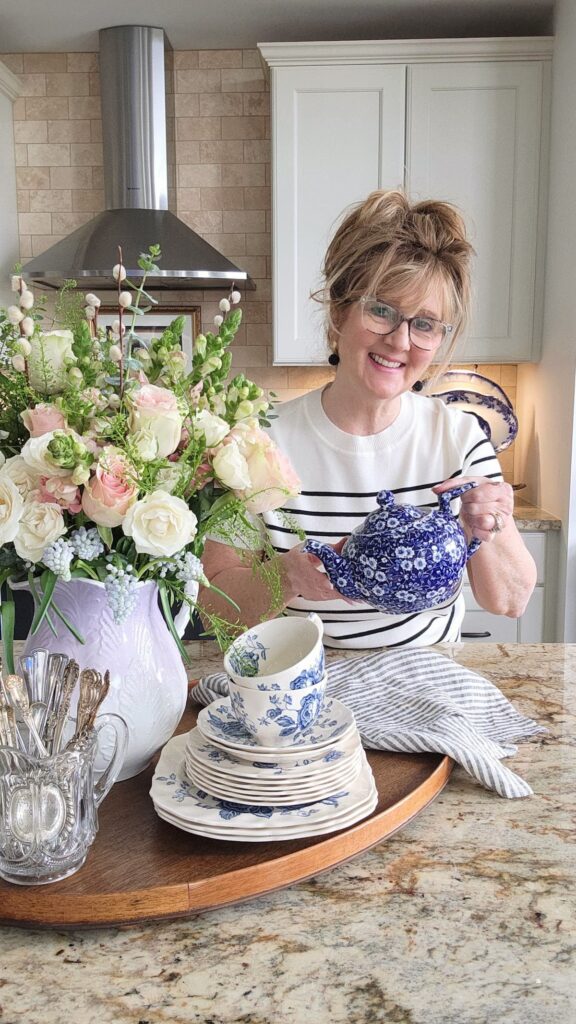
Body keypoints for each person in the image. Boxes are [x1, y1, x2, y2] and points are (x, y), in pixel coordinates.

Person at [201, 189, 537, 648]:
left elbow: (511, 601)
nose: (400, 341)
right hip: (308, 672)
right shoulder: (260, 443)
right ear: (339, 311)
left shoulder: (459, 439)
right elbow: (213, 605)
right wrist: (286, 576)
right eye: (381, 310)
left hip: (431, 673)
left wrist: (491, 523)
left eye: (425, 323)